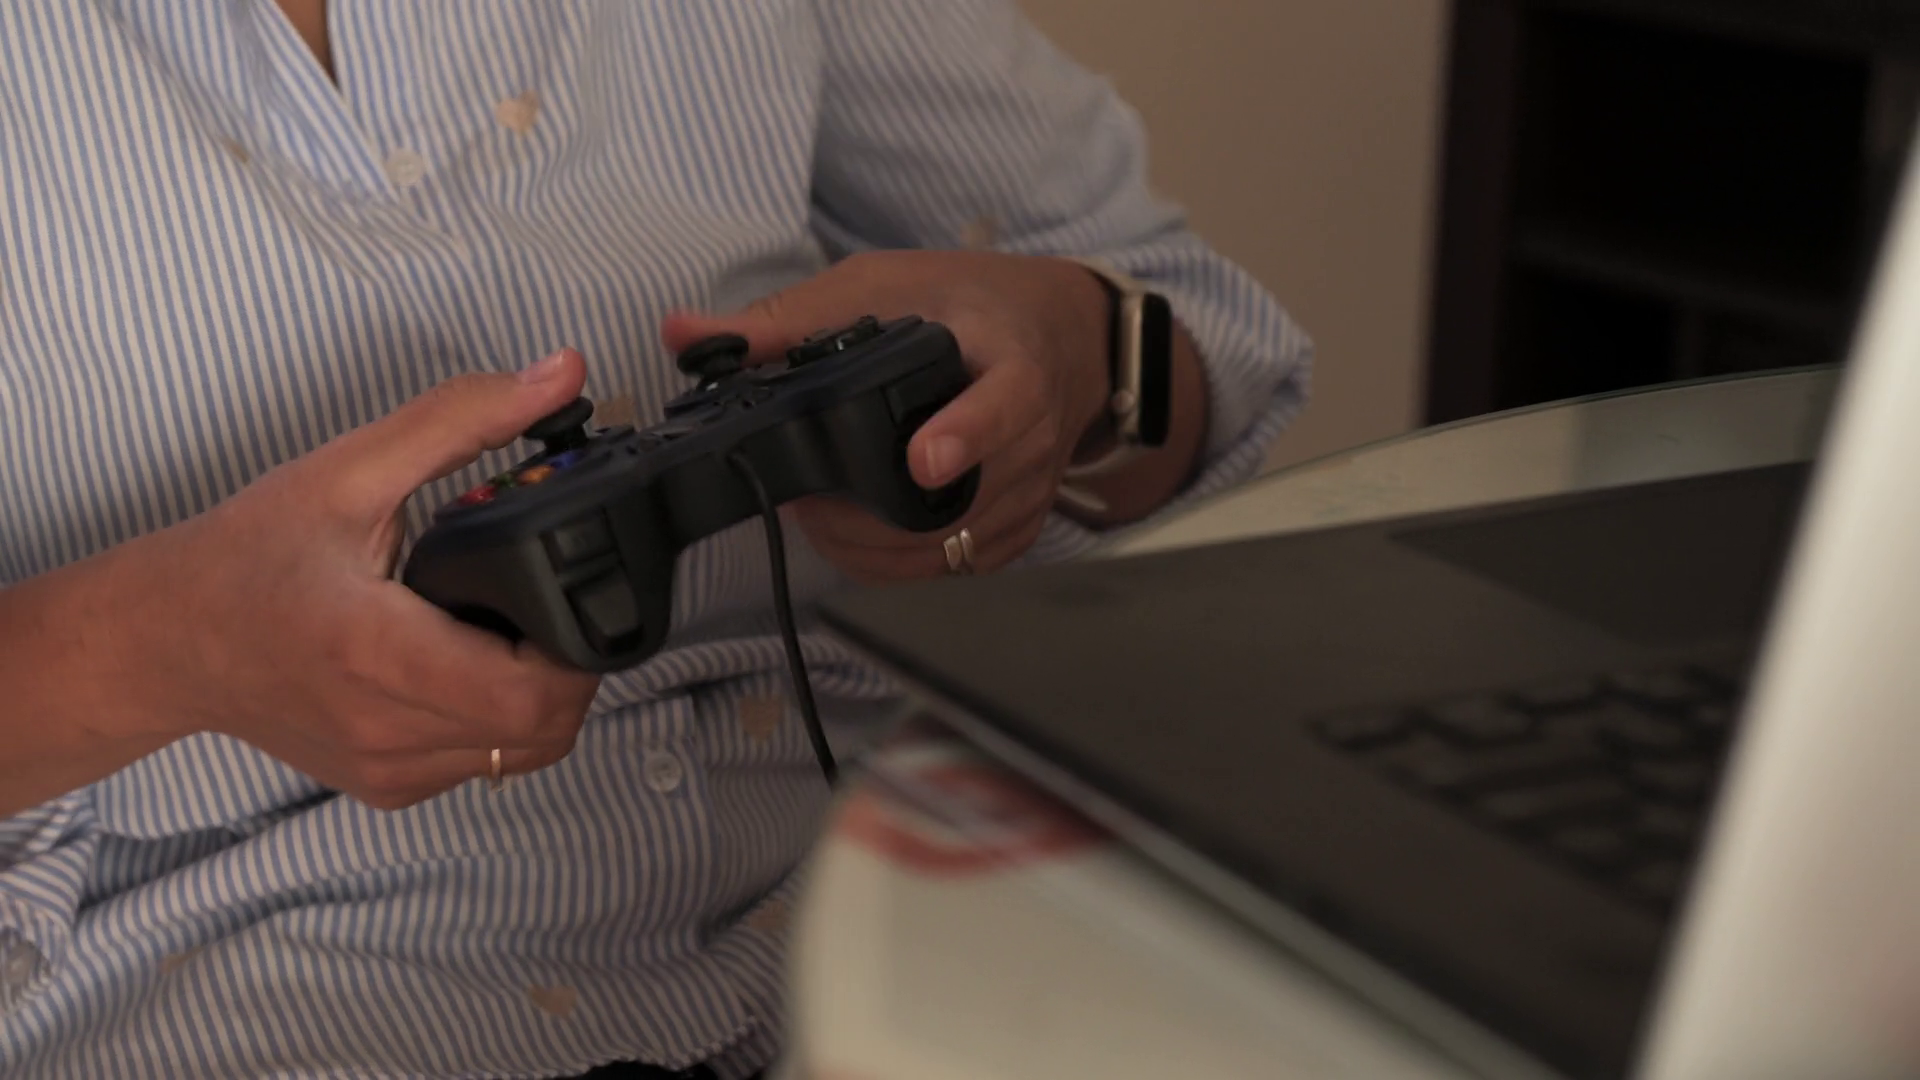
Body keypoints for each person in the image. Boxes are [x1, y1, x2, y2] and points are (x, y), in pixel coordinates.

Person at [0, 1, 1310, 1077]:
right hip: (249, 1001)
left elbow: (1191, 328)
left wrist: (1072, 355)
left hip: (906, 887)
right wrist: (166, 648)